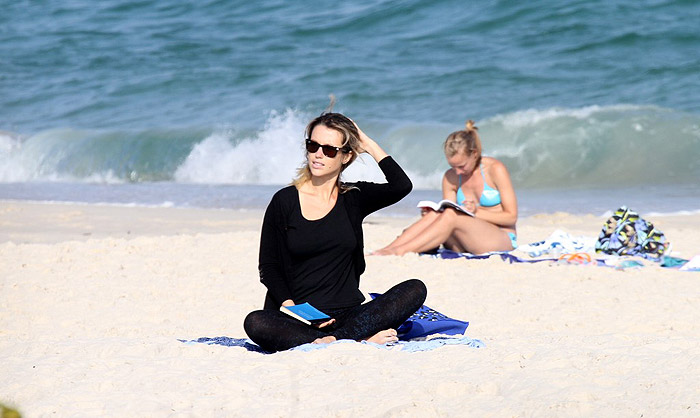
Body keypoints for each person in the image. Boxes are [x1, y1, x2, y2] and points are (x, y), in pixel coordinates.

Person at [243, 112, 427, 352]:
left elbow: (402, 185)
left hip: (350, 314)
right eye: (313, 145)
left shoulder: (353, 198)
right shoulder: (284, 201)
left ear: (346, 156)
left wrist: (368, 144)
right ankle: (355, 339)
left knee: (415, 288)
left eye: (329, 150)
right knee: (255, 322)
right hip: (300, 318)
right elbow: (268, 266)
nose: (318, 154)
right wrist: (291, 307)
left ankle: (337, 339)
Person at [374, 120, 517, 256]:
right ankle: (389, 249)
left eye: (461, 166)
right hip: (461, 240)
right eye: (453, 167)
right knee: (436, 214)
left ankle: (400, 252)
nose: (457, 172)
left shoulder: (494, 169)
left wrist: (476, 212)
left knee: (450, 214)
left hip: (500, 237)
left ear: (474, 154)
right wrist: (433, 214)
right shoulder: (450, 177)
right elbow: (448, 212)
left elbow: (511, 217)